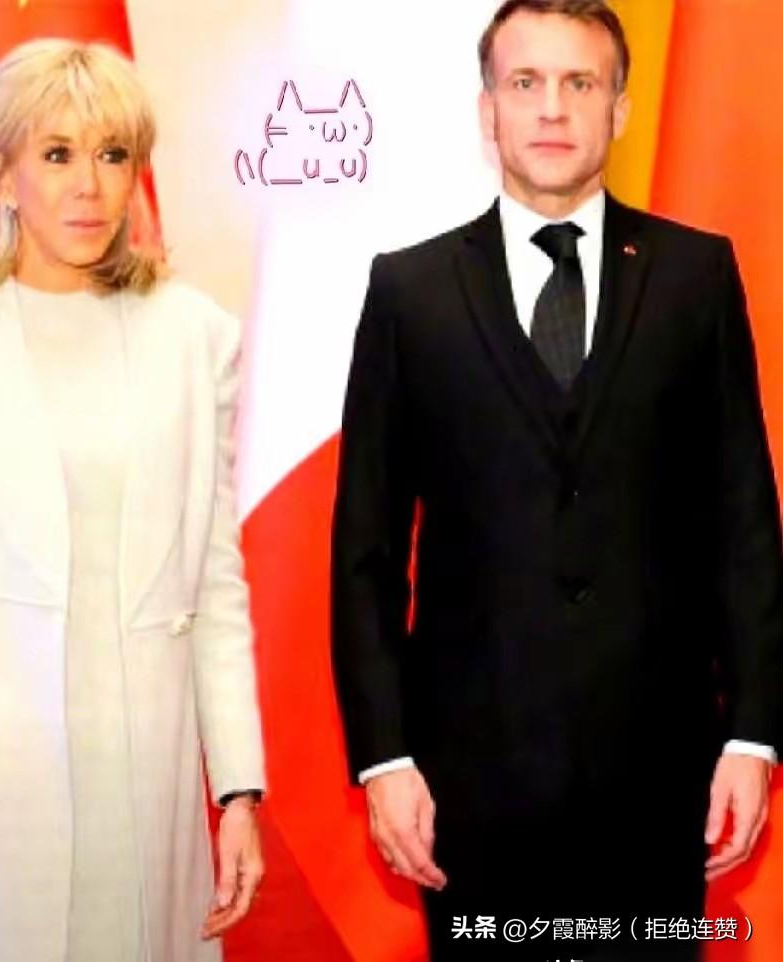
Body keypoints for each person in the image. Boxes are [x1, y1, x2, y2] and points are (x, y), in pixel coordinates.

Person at [331, 1, 783, 959]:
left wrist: (751, 736)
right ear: (487, 109)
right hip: (468, 790)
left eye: (580, 82)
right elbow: (366, 550)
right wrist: (384, 756)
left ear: (619, 109)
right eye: (525, 82)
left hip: (662, 784)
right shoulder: (409, 293)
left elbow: (744, 526)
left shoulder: (696, 277)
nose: (551, 107)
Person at [0, 38, 266, 962]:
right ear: (0, 173)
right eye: (57, 154)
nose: (89, 184)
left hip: (143, 778)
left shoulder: (195, 335)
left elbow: (215, 580)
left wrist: (238, 790)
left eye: (113, 154)